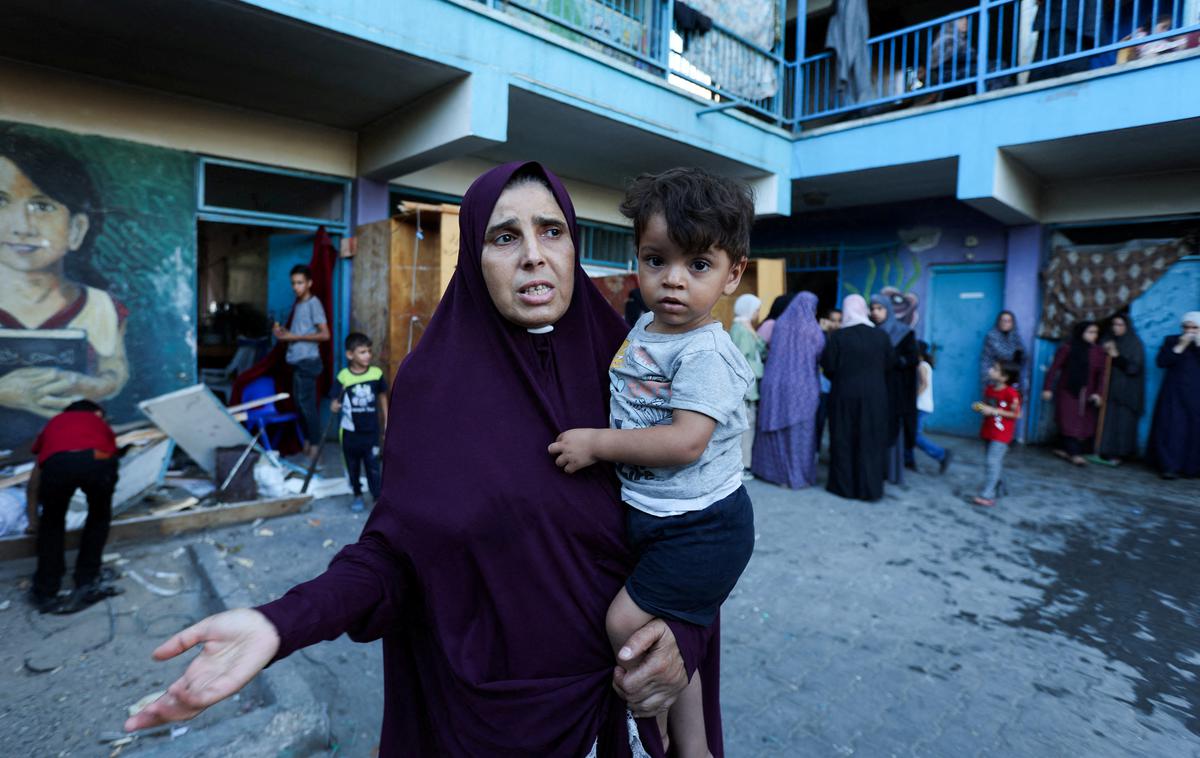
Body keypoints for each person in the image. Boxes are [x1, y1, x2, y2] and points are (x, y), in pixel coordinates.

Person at [126, 162, 716, 756]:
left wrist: (683, 634)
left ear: (573, 245)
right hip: (488, 719)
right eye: (505, 236)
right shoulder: (434, 390)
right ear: (473, 259)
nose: (534, 255)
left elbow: (706, 519)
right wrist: (281, 623)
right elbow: (399, 556)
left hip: (627, 708)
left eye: (552, 231)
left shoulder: (638, 370)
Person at [549, 167, 756, 757]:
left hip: (702, 528)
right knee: (665, 633)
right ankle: (692, 747)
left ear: (732, 273)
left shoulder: (706, 350)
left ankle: (660, 728)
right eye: (655, 259)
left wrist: (595, 444)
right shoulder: (646, 327)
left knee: (625, 624)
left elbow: (685, 441)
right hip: (664, 519)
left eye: (697, 265)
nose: (672, 281)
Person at [0, 130, 130, 446]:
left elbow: (114, 373)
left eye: (42, 206)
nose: (22, 226)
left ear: (76, 229)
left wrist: (83, 385)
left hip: (73, 453)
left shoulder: (101, 307)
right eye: (1, 201)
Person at [26, 399, 123, 614]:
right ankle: (86, 581)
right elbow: (112, 452)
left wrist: (33, 519)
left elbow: (36, 474)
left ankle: (46, 589)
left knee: (52, 523)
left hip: (59, 462)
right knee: (99, 517)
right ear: (97, 413)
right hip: (99, 458)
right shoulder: (101, 424)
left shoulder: (55, 423)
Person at [821, 294, 894, 502]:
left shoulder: (838, 337)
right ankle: (869, 489)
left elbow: (829, 367)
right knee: (870, 440)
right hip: (875, 396)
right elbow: (890, 364)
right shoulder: (880, 336)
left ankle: (843, 487)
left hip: (844, 394)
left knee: (843, 438)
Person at [752, 292, 826, 489]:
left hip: (774, 383)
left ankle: (772, 473)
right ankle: (796, 475)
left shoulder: (779, 325)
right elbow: (820, 355)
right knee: (799, 433)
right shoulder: (813, 330)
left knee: (774, 430)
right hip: (802, 386)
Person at [272, 263, 330, 458]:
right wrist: (284, 334)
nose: (296, 287)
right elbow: (300, 333)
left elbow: (324, 335)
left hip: (308, 362)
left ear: (309, 283)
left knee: (307, 406)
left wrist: (293, 337)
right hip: (298, 362)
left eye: (300, 283)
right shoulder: (299, 304)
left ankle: (315, 446)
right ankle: (307, 441)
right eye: (293, 283)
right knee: (300, 405)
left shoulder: (314, 303)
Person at [330, 332, 388, 513]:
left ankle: (377, 498)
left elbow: (383, 398)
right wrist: (334, 406)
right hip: (349, 433)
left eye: (369, 351)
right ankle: (357, 495)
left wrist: (387, 421)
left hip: (371, 432)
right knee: (353, 467)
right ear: (350, 355)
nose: (368, 355)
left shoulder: (376, 374)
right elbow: (334, 402)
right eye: (362, 352)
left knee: (373, 467)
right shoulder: (343, 377)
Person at [870, 293, 918, 482]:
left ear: (888, 310)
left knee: (891, 430)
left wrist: (894, 361)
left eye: (879, 309)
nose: (875, 312)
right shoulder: (869, 331)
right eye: (872, 308)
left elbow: (912, 359)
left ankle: (891, 471)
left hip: (894, 391)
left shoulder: (904, 332)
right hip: (875, 388)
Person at [1042, 321, 1105, 466]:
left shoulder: (1098, 352)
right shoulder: (1067, 348)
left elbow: (1101, 375)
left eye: (1095, 332)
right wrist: (1047, 388)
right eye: (1090, 332)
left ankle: (1063, 449)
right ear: (1081, 333)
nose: (1093, 336)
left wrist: (1098, 393)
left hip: (1088, 392)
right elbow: (1054, 368)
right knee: (1069, 421)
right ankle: (1074, 454)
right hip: (1068, 390)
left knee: (1084, 423)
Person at [1148, 311, 1200, 479]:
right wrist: (1180, 347)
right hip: (1174, 392)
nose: (1190, 331)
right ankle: (1169, 466)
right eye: (1186, 327)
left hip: (1196, 394)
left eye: (1195, 327)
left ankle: (1191, 468)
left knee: (1194, 430)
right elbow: (1161, 362)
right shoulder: (1171, 340)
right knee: (1171, 428)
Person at [971, 361, 1022, 507]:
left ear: (1005, 377)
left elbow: (1017, 414)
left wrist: (994, 411)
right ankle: (999, 486)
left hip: (1002, 434)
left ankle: (987, 495)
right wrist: (980, 407)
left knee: (992, 462)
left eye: (995, 369)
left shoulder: (1011, 393)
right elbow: (988, 406)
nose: (991, 370)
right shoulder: (989, 389)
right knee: (993, 462)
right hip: (988, 430)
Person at [1097, 314, 1145, 464]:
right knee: (1108, 420)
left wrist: (1116, 355)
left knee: (1122, 422)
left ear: (1126, 326)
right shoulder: (1108, 340)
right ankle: (1103, 450)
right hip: (1110, 388)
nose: (1116, 328)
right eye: (1114, 324)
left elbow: (1133, 368)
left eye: (1120, 325)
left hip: (1127, 391)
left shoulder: (1134, 344)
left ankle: (1119, 454)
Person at [729, 293, 765, 478]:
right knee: (746, 425)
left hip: (746, 386)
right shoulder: (742, 330)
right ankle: (743, 466)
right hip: (746, 388)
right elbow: (743, 361)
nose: (758, 313)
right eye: (756, 309)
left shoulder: (743, 327)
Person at [913, 340, 952, 474]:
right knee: (912, 434)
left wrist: (913, 398)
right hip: (923, 405)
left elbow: (923, 384)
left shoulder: (921, 365)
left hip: (920, 405)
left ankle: (941, 454)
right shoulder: (926, 365)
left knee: (914, 436)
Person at [814, 307, 842, 454]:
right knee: (819, 422)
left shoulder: (844, 338)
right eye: (833, 320)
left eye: (839, 321)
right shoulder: (821, 336)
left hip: (837, 388)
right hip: (822, 387)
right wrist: (822, 332)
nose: (836, 324)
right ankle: (816, 453)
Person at [980, 310, 1024, 387]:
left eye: (1008, 321)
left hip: (1008, 375)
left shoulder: (1015, 336)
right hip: (992, 373)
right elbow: (1004, 354)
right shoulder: (992, 336)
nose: (1005, 323)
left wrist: (1018, 353)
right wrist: (1016, 353)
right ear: (998, 322)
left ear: (1012, 323)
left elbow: (1024, 355)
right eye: (1003, 320)